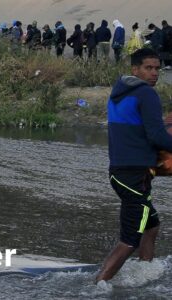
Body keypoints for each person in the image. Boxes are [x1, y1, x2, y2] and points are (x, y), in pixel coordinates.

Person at [96, 48, 172, 283]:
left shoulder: (119, 92)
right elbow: (157, 136)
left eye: (157, 68)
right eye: (148, 68)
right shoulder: (146, 94)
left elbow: (140, 132)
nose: (154, 73)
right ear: (135, 69)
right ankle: (97, 288)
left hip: (120, 172)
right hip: (134, 175)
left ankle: (143, 275)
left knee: (151, 226)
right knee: (130, 239)